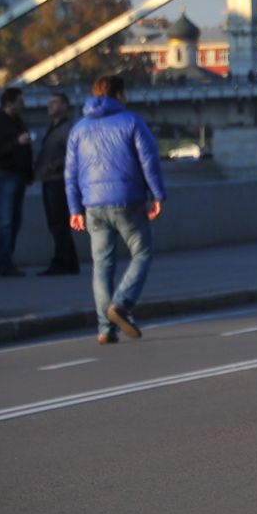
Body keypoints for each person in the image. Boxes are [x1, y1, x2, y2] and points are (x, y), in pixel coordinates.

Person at [66, 76, 167, 344]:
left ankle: (105, 329)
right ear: (119, 94)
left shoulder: (79, 129)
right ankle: (121, 305)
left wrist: (74, 208)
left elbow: (71, 173)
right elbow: (149, 161)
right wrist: (157, 195)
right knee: (142, 253)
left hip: (93, 206)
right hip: (127, 200)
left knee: (102, 265)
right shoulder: (132, 122)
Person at [0, 86, 33, 276]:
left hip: (16, 176)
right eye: (20, 101)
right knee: (5, 221)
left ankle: (0, 262)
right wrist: (16, 142)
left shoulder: (17, 121)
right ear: (10, 103)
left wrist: (28, 174)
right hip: (2, 176)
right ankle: (4, 264)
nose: (24, 105)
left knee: (13, 221)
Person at [35, 92, 81, 275]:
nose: (50, 106)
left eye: (54, 103)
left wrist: (50, 167)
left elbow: (71, 156)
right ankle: (68, 262)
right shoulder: (53, 128)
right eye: (49, 103)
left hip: (59, 181)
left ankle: (63, 262)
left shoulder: (67, 128)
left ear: (65, 106)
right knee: (56, 223)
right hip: (50, 180)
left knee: (58, 223)